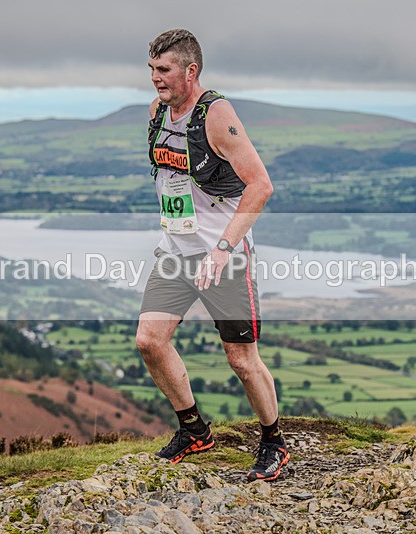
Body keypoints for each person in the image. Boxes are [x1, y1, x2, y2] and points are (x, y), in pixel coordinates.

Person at [135, 29, 288, 481]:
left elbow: (261, 186)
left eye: (164, 70)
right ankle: (194, 429)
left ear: (191, 70)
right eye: (151, 70)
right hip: (176, 251)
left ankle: (274, 442)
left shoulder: (217, 116)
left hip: (225, 256)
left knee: (241, 358)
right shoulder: (158, 113)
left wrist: (223, 248)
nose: (156, 79)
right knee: (149, 340)